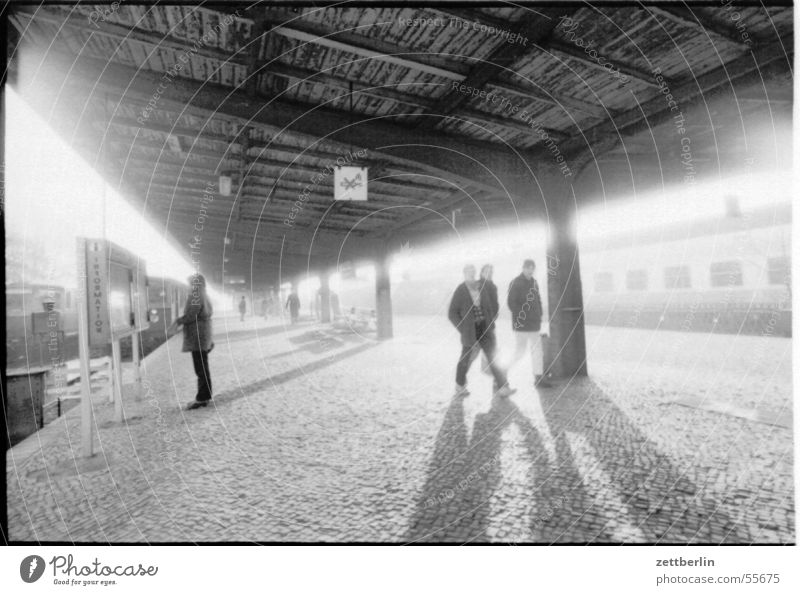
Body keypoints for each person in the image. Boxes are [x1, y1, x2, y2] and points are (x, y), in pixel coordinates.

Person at [448, 264, 516, 398]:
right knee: (465, 358)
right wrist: (462, 328)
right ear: (464, 274)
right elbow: (452, 313)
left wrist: (490, 320)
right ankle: (459, 386)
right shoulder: (461, 290)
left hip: (484, 327)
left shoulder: (480, 286)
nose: (471, 274)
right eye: (468, 272)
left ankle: (502, 387)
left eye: (473, 272)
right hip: (469, 330)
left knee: (493, 357)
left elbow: (489, 306)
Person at [507, 259, 551, 388]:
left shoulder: (534, 283)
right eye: (529, 268)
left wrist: (540, 314)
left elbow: (538, 300)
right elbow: (511, 303)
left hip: (534, 324)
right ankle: (501, 373)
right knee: (519, 352)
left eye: (533, 268)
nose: (531, 270)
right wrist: (522, 316)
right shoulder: (515, 283)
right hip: (522, 324)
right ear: (523, 268)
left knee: (537, 350)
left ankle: (538, 377)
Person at [175, 273, 214, 410]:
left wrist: (178, 321)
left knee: (200, 368)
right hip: (204, 334)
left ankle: (202, 398)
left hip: (197, 336)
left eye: (191, 283)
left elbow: (191, 315)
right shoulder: (204, 294)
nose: (190, 286)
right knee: (203, 367)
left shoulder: (196, 294)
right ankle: (205, 396)